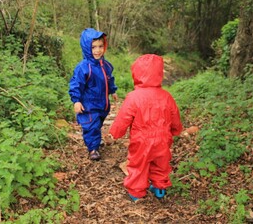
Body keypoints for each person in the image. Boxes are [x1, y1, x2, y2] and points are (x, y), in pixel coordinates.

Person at [109, 54, 183, 201]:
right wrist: (176, 130)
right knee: (160, 163)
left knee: (139, 164)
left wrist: (116, 132)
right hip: (162, 139)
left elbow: (124, 117)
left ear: (137, 73)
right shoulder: (166, 96)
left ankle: (136, 193)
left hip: (141, 140)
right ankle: (159, 189)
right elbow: (174, 115)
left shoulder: (134, 97)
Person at [69, 28, 118, 161]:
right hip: (88, 104)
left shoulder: (105, 65)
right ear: (86, 48)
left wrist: (112, 90)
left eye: (100, 46)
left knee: (98, 123)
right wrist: (76, 100)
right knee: (91, 125)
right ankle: (92, 149)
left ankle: (95, 140)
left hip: (103, 104)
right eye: (93, 47)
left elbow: (109, 79)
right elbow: (76, 84)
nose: (98, 50)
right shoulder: (83, 67)